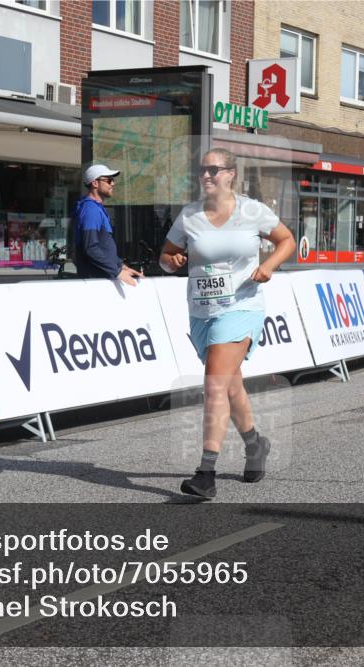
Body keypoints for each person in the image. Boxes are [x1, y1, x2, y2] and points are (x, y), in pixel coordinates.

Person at [160, 148, 295, 500]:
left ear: (231, 174)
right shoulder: (189, 216)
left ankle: (206, 472)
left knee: (215, 384)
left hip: (242, 306)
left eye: (214, 170)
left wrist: (269, 266)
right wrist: (172, 261)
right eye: (202, 170)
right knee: (231, 386)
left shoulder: (253, 211)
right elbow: (165, 256)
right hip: (202, 311)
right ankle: (255, 445)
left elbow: (287, 240)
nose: (206, 176)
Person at [73, 164, 143, 285]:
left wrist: (120, 266)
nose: (113, 184)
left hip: (101, 280)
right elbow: (91, 248)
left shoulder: (95, 208)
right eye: (108, 180)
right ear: (95, 183)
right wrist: (117, 271)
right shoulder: (91, 209)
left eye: (113, 180)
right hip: (96, 282)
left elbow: (103, 246)